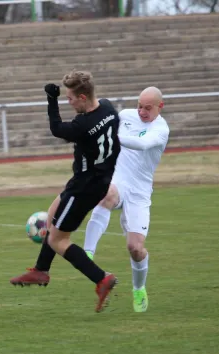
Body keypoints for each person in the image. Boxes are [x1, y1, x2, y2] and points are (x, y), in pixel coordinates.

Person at [10, 70, 122, 313]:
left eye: (69, 98)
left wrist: (50, 99)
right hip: (97, 180)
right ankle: (41, 269)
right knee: (51, 215)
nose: (67, 102)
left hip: (83, 187)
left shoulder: (83, 124)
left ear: (82, 97)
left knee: (57, 239)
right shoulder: (108, 108)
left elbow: (57, 128)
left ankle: (101, 278)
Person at [83, 86, 170, 313]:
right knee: (107, 194)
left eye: (147, 108)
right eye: (139, 106)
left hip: (140, 192)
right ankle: (88, 252)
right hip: (118, 179)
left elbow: (141, 144)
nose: (141, 111)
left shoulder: (161, 129)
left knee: (135, 248)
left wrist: (113, 136)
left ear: (160, 107)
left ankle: (138, 288)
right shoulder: (126, 116)